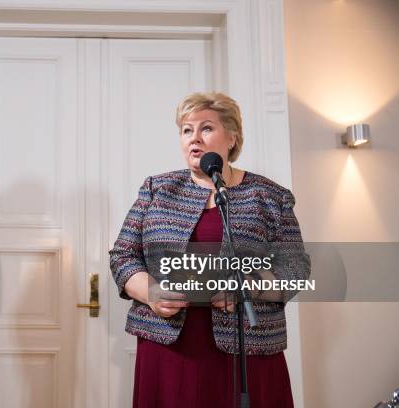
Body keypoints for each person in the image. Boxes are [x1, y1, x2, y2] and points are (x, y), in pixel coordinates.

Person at [109, 92, 310, 407]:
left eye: (205, 128)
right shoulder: (156, 189)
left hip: (249, 349)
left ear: (231, 138)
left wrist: (250, 288)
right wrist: (149, 291)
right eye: (186, 130)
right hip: (170, 347)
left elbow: (296, 270)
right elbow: (122, 256)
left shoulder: (269, 196)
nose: (194, 138)